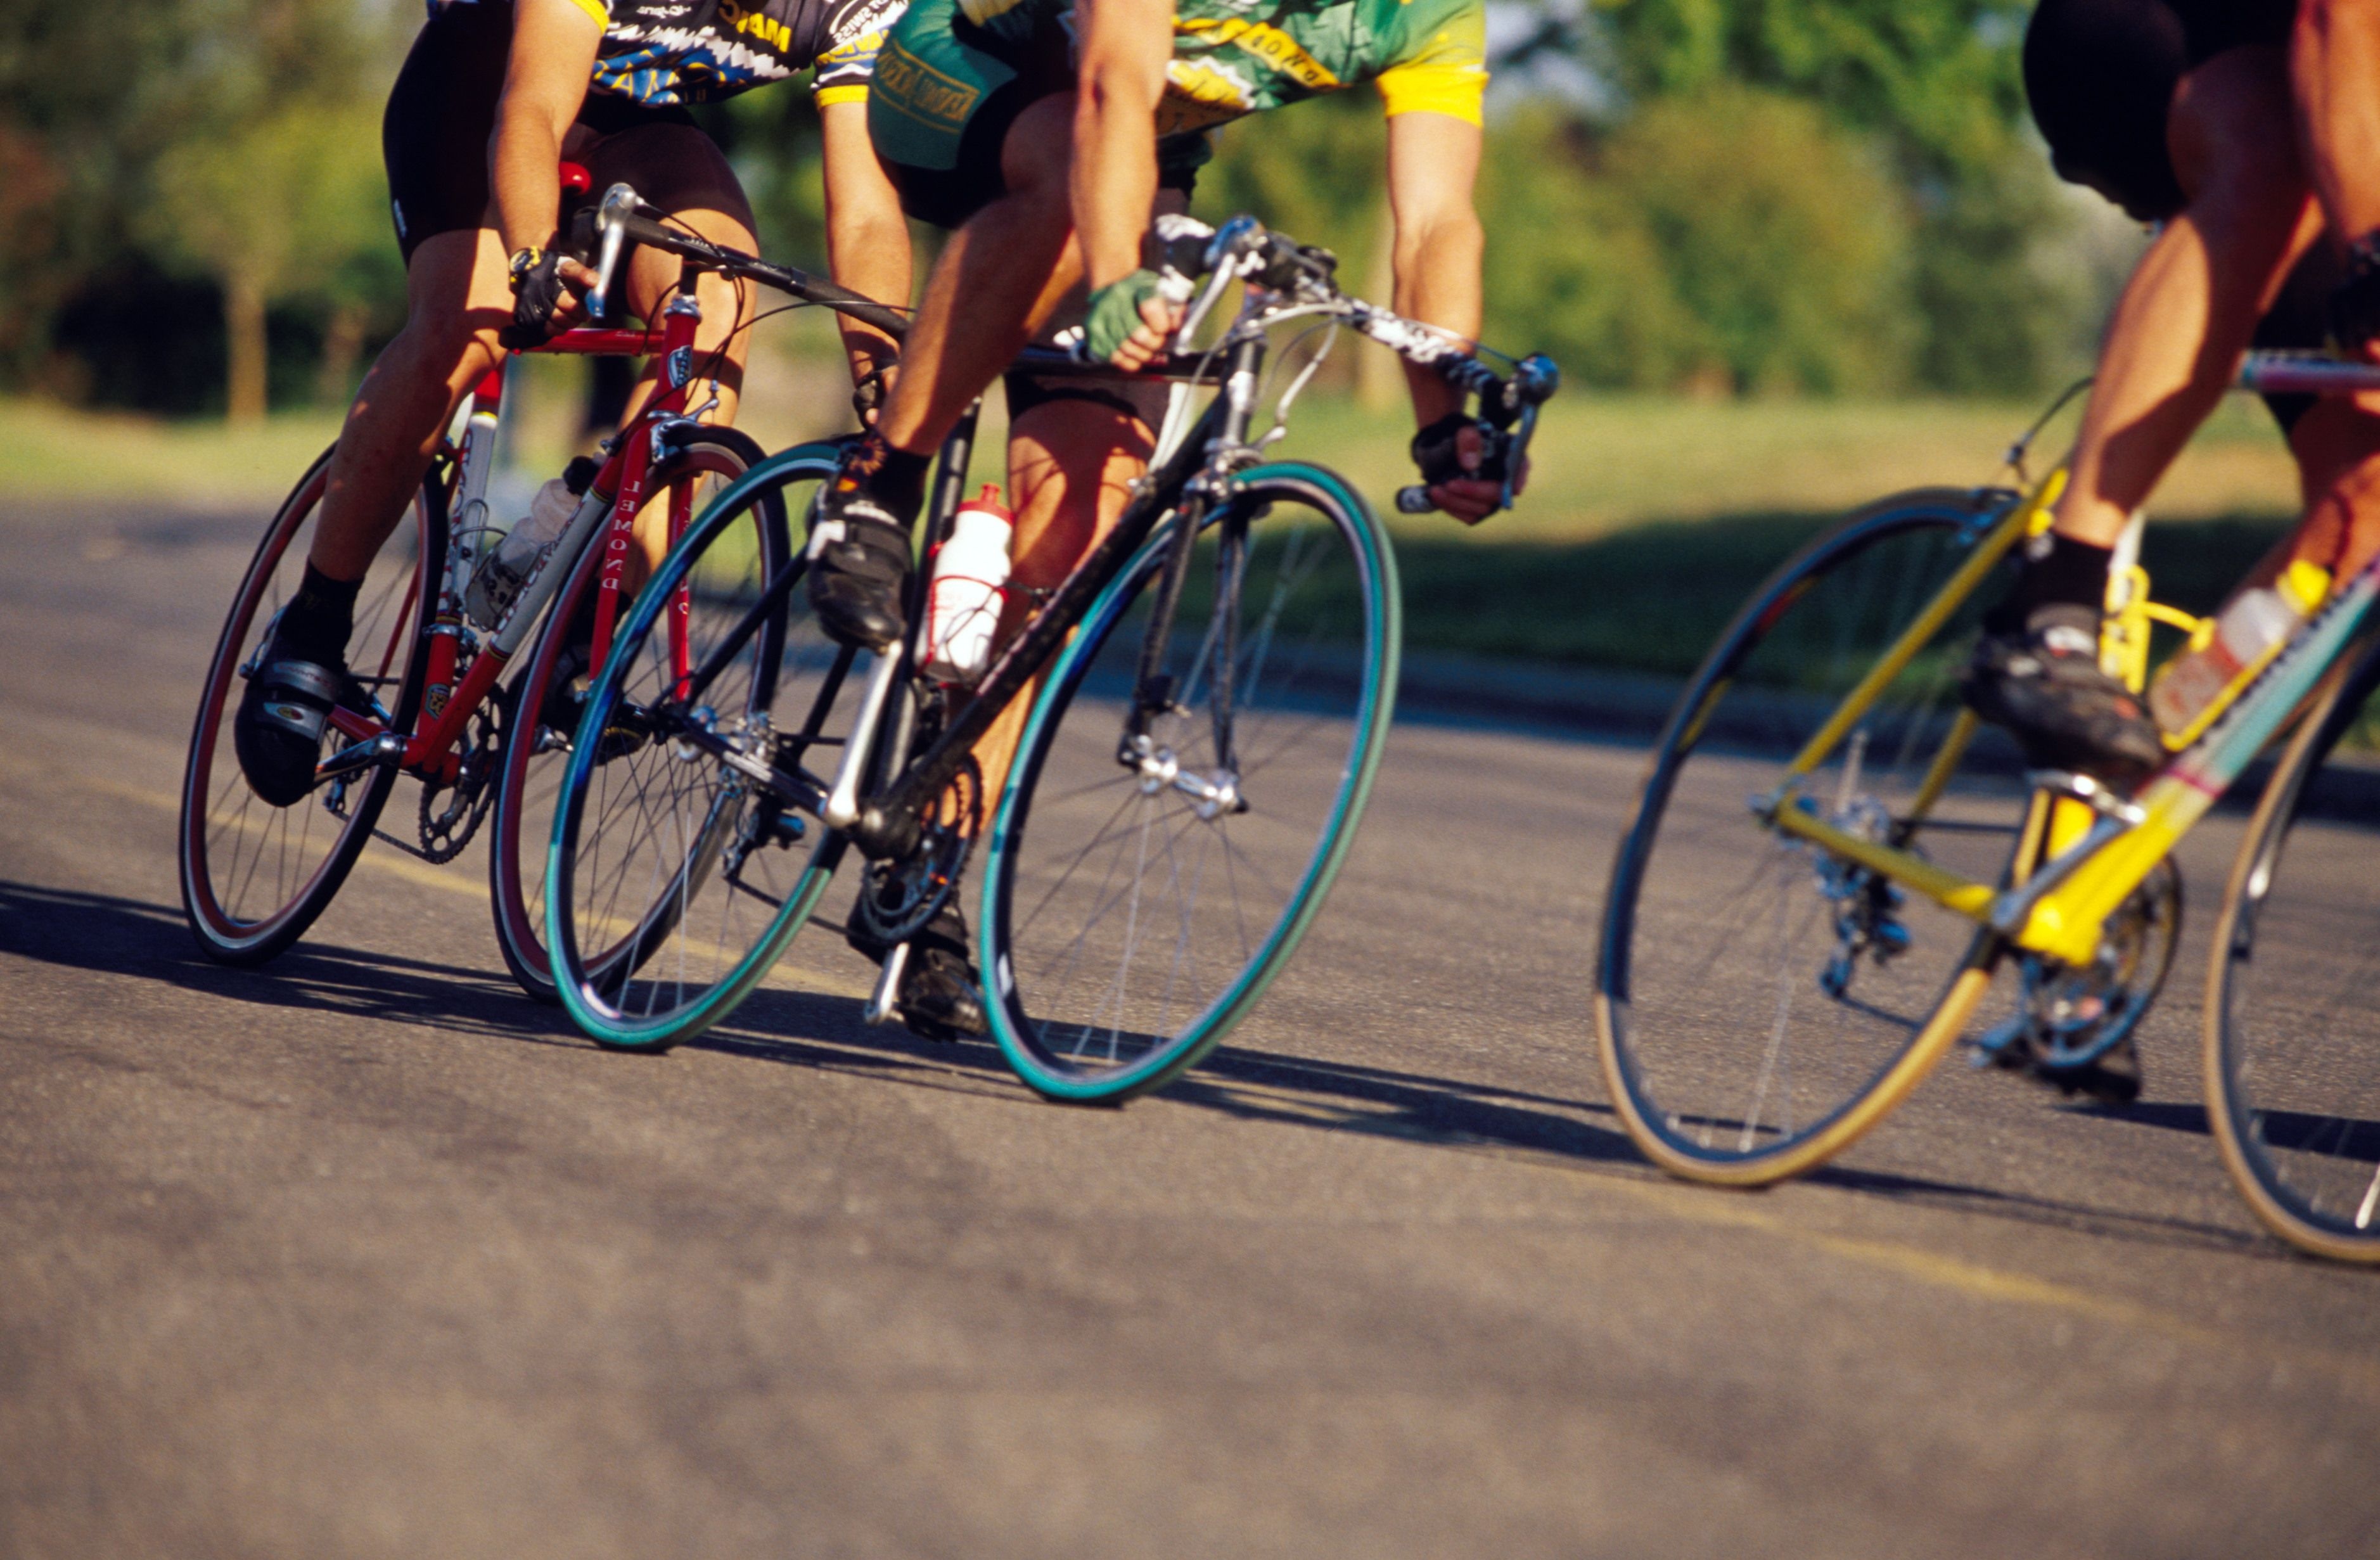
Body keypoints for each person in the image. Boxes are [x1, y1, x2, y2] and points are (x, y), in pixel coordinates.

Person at [795, 0, 1516, 1039]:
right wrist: (1120, 273)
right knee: (1069, 196)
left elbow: (1436, 223)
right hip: (963, 82)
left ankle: (929, 858)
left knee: (1083, 519)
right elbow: (1109, 89)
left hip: (1141, 145)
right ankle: (879, 481)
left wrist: (1443, 423)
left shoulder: (1435, 15)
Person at [233, 0, 915, 808]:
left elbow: (868, 211)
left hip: (638, 127)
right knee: (468, 324)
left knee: (718, 315)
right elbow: (533, 107)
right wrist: (532, 254)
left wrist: (885, 373)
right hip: (485, 87)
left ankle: (586, 626)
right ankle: (311, 630)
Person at [1962, 0, 2380, 789]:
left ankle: (2129, 802)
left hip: (2338, 117)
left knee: (2362, 520)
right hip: (2161, 33)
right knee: (2264, 149)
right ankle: (2056, 599)